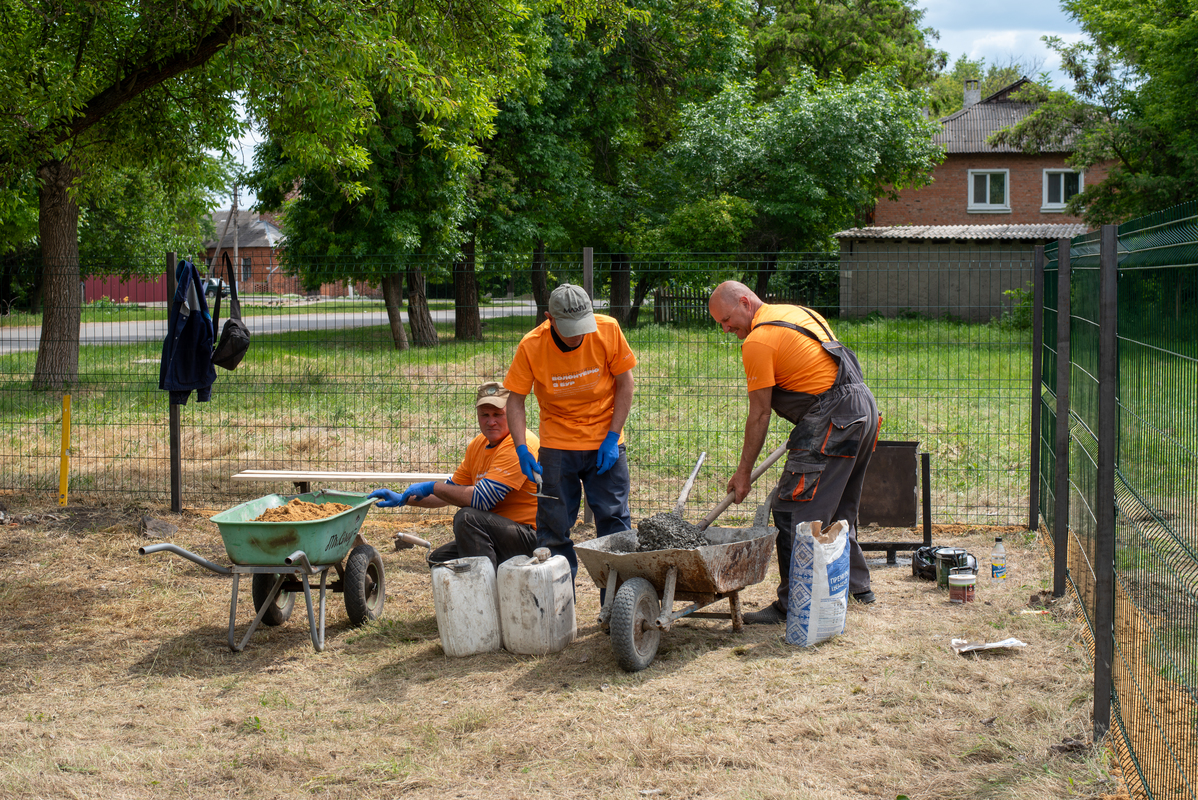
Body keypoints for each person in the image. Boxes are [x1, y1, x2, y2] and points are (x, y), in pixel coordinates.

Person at [708, 281, 880, 623]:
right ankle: (857, 586)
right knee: (838, 505)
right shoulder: (797, 313)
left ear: (745, 302)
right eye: (721, 325)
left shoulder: (758, 341)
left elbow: (759, 413)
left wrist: (743, 474)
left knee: (791, 507)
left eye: (728, 319)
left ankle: (793, 605)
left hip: (834, 419)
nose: (727, 329)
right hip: (863, 410)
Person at [503, 283, 637, 583]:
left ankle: (617, 608)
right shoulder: (531, 345)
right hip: (558, 445)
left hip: (605, 441)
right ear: (550, 318)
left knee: (615, 524)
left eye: (583, 325)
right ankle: (558, 608)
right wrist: (522, 448)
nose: (578, 334)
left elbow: (625, 384)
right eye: (569, 328)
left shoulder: (608, 330)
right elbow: (515, 399)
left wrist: (613, 437)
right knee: (553, 529)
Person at [368, 382, 539, 570]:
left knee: (467, 518)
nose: (491, 421)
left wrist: (432, 486)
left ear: (512, 414)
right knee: (439, 560)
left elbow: (483, 500)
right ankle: (488, 574)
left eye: (498, 414)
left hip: (528, 536)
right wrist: (403, 498)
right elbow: (450, 492)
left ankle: (485, 589)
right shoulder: (478, 445)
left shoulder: (520, 444)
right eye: (485, 415)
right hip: (495, 534)